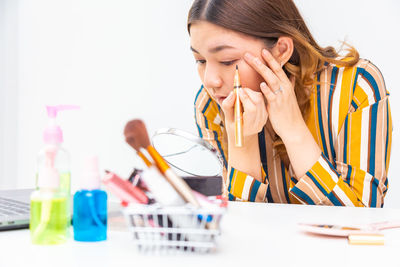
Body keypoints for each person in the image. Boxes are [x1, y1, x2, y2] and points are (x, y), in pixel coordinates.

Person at [188, 0, 392, 207]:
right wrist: (243, 141)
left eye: (227, 60)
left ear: (281, 50)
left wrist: (293, 132)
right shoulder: (210, 106)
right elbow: (234, 227)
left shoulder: (355, 88)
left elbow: (364, 218)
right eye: (200, 61)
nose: (210, 81)